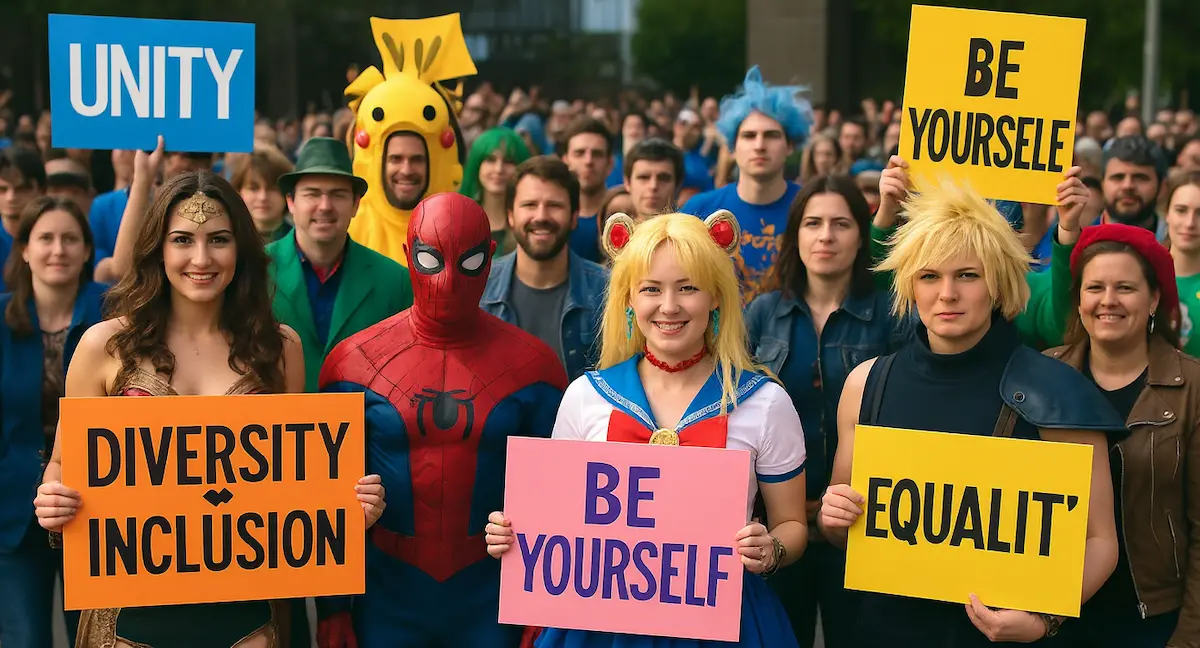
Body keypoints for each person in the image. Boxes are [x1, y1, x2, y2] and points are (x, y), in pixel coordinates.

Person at [31, 170, 386, 648]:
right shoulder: (104, 347)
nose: (201, 258)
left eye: (218, 239)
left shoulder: (280, 349)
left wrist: (345, 511)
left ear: (240, 248)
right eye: (182, 240)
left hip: (247, 621)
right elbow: (63, 464)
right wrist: (53, 496)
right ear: (158, 248)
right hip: (129, 620)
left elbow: (300, 484)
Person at [818, 180, 1125, 646]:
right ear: (908, 286)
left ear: (998, 282)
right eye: (928, 276)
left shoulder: (1059, 393)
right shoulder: (865, 384)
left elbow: (1100, 541)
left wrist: (1044, 619)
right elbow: (846, 528)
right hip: (885, 631)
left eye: (967, 275)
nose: (947, 294)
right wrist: (834, 517)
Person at [486, 210, 809, 648]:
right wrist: (514, 534)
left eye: (688, 288)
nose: (670, 306)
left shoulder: (764, 402)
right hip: (598, 629)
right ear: (629, 299)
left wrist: (771, 550)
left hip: (722, 626)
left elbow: (792, 523)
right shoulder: (586, 396)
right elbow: (556, 521)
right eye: (651, 289)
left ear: (715, 297)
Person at [315, 192, 568, 648]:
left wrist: (543, 603)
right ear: (408, 256)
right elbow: (327, 499)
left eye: (468, 262)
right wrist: (334, 609)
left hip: (491, 594)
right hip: (388, 592)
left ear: (489, 258)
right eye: (432, 259)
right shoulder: (351, 364)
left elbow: (558, 498)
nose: (448, 280)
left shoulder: (535, 368)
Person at [746, 175, 904, 648]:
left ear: (864, 235)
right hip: (775, 530)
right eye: (813, 223)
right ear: (795, 235)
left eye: (841, 223)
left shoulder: (893, 314)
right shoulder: (761, 314)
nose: (826, 236)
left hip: (864, 526)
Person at [1046, 224, 1200, 647]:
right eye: (1094, 287)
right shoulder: (1039, 378)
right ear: (1078, 300)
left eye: (1125, 288)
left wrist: (1188, 637)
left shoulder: (1193, 388)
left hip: (1153, 621)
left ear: (1153, 299)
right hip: (1054, 614)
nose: (1108, 301)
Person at [0, 196, 102, 648]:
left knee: (95, 638)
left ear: (86, 250)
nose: (57, 249)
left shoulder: (113, 315)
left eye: (69, 238)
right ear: (23, 249)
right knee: (24, 639)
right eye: (45, 238)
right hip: (11, 515)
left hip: (96, 508)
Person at [268, 136, 412, 392]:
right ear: (291, 202)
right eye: (312, 194)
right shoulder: (256, 271)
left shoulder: (395, 281)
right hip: (279, 428)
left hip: (364, 428)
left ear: (356, 204)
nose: (324, 206)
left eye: (338, 195)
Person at [343, 14, 477, 267]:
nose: (406, 170)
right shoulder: (349, 229)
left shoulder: (460, 226)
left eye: (417, 159)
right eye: (395, 158)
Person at [681, 66, 812, 304]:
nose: (759, 145)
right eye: (749, 136)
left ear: (790, 145)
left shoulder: (812, 207)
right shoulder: (698, 211)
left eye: (771, 135)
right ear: (732, 146)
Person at [481, 156, 608, 381]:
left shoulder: (607, 291)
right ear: (511, 215)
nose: (541, 216)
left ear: (574, 216)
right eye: (530, 205)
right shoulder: (479, 288)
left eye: (554, 205)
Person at [459, 127, 532, 256]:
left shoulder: (530, 221)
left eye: (508, 161)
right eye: (490, 160)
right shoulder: (458, 220)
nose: (498, 169)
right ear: (477, 165)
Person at [560, 117, 615, 263]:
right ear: (565, 161)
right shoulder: (551, 217)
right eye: (579, 153)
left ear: (610, 163)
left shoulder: (624, 217)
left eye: (597, 154)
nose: (588, 161)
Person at [1164, 171, 1200, 354]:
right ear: (1166, 213)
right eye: (1181, 210)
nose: (1190, 223)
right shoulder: (1142, 274)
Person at [230, 144, 295, 241]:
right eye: (253, 188)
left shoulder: (300, 242)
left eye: (272, 189)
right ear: (238, 191)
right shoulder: (228, 239)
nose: (263, 197)